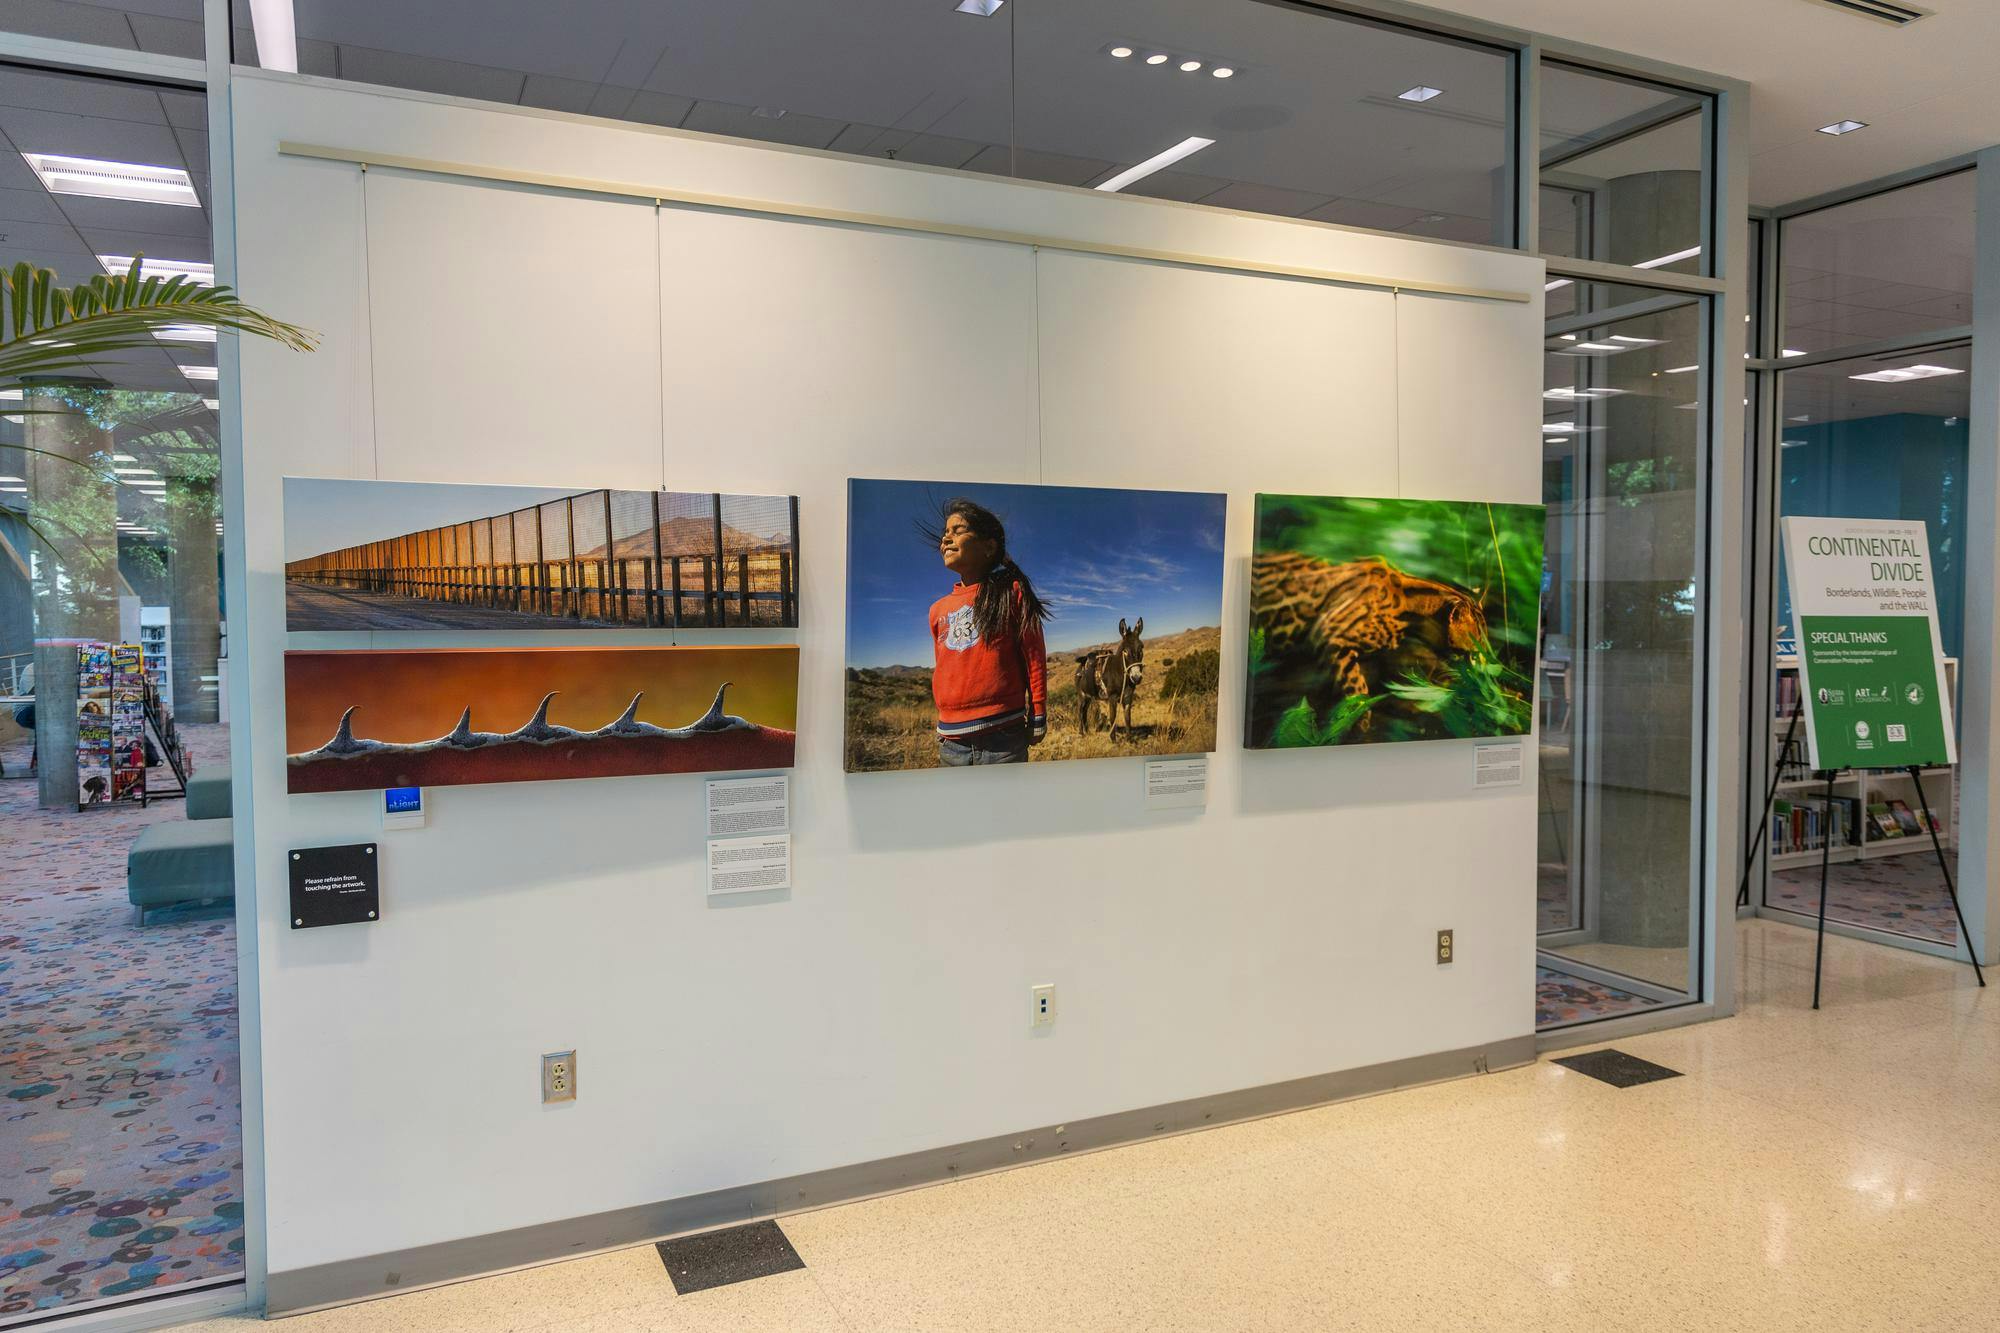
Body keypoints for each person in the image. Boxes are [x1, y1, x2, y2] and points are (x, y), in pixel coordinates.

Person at [920, 498, 1049, 766]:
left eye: (958, 531)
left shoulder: (1010, 593)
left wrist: (1038, 712)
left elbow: (1033, 655)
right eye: (945, 533)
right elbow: (944, 666)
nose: (946, 539)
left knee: (1006, 808)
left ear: (989, 547)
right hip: (951, 743)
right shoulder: (937, 610)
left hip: (1003, 739)